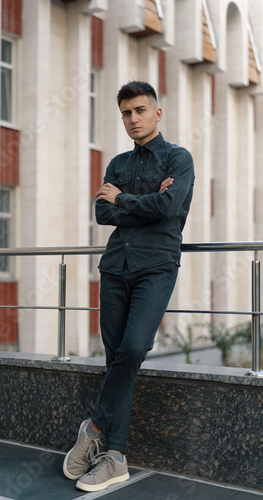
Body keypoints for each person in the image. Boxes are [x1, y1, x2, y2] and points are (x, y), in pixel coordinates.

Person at [63, 81, 194, 492]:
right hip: (115, 266)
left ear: (157, 112)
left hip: (156, 267)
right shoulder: (117, 163)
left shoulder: (178, 158)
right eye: (126, 113)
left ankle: (96, 426)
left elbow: (170, 209)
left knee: (135, 348)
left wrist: (124, 201)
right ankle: (115, 457)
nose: (133, 119)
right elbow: (102, 212)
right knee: (116, 357)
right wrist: (140, 201)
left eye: (140, 110)